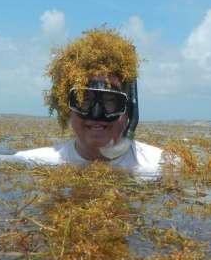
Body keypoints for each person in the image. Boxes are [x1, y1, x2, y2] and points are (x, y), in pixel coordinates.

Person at [15, 27, 163, 175]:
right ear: (66, 106)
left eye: (111, 101)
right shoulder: (31, 164)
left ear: (128, 108)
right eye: (84, 99)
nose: (96, 114)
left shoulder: (164, 165)